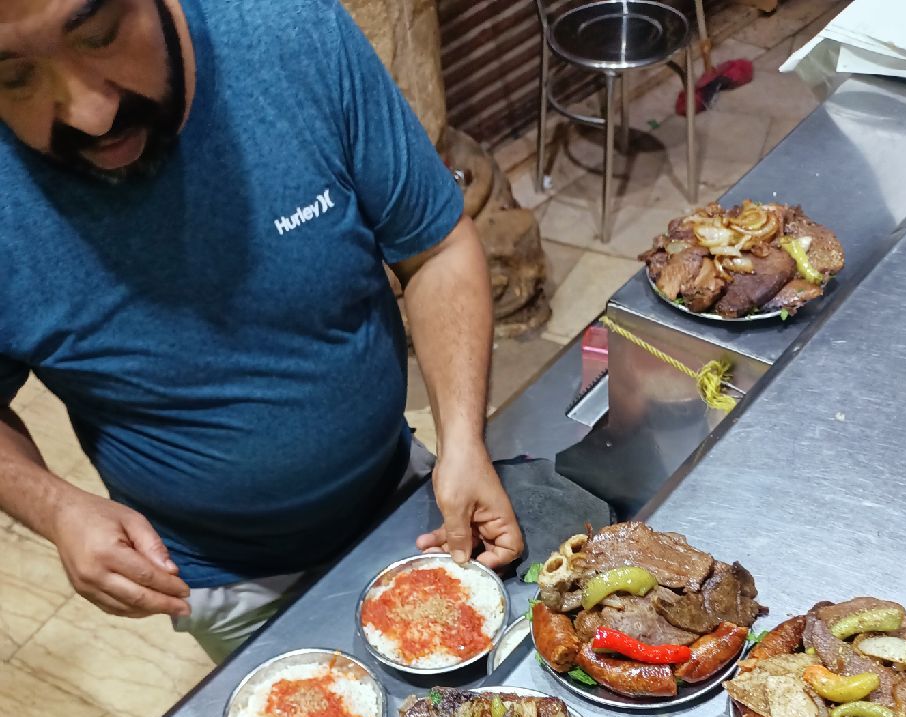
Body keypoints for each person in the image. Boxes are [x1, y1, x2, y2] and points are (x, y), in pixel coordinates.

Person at [0, 0, 524, 661]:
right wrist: (55, 508)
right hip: (224, 582)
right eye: (14, 76)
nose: (91, 115)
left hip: (406, 497)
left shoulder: (290, 30)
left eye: (101, 36)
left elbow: (435, 249)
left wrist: (463, 442)